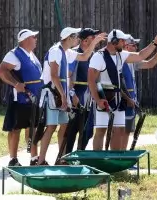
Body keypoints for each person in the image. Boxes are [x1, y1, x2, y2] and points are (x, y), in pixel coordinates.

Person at [88, 29, 157, 150]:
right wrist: (98, 100)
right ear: (114, 41)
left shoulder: (121, 55)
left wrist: (154, 43)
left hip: (118, 97)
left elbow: (141, 55)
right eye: (122, 41)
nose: (124, 44)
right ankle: (97, 161)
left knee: (119, 130)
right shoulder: (98, 56)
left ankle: (115, 160)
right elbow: (91, 81)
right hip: (103, 96)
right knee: (101, 131)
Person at [38, 27, 106, 165]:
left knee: (64, 126)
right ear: (69, 38)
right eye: (75, 37)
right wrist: (64, 96)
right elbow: (54, 76)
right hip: (52, 93)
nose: (77, 39)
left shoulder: (66, 52)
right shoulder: (56, 51)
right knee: (51, 127)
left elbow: (85, 56)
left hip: (60, 94)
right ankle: (40, 161)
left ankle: (62, 159)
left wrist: (95, 42)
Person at [0, 29, 43, 166]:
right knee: (15, 128)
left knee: (32, 127)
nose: (36, 39)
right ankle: (13, 159)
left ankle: (34, 158)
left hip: (34, 98)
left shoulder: (31, 54)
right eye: (33, 37)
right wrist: (15, 84)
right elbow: (1, 71)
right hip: (20, 99)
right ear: (26, 40)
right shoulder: (13, 54)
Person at [121, 35, 157, 150]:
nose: (136, 47)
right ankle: (119, 157)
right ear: (126, 46)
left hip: (131, 101)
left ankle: (123, 156)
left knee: (127, 131)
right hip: (123, 101)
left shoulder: (132, 61)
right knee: (121, 132)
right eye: (134, 45)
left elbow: (150, 63)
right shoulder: (120, 61)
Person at [66, 28, 100, 153]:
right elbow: (68, 76)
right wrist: (72, 94)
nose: (95, 40)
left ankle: (80, 153)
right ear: (85, 40)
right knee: (72, 129)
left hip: (90, 96)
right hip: (77, 94)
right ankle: (68, 156)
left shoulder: (95, 55)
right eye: (92, 38)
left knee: (87, 130)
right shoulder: (74, 54)